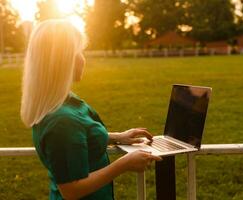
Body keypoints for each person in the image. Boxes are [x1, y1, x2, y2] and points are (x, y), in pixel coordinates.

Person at [20, 19, 162, 200]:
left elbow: (78, 138)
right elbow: (71, 190)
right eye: (78, 51)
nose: (82, 58)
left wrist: (117, 137)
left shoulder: (62, 101)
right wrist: (124, 164)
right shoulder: (62, 121)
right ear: (62, 61)